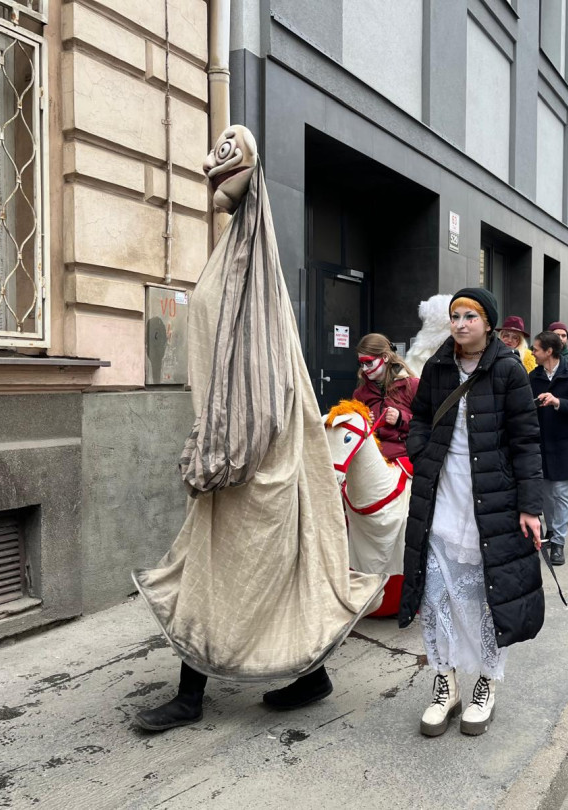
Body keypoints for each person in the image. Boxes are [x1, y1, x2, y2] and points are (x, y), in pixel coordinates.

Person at [133, 127, 384, 732]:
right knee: (221, 569)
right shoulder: (235, 262)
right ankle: (304, 676)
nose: (209, 175)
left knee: (221, 574)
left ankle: (197, 693)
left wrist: (226, 451)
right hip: (237, 450)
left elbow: (261, 378)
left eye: (224, 168)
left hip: (250, 456)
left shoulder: (252, 278)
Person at [400, 287, 544, 737]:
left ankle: (486, 682)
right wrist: (422, 454)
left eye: (470, 317)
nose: (460, 324)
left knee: (487, 595)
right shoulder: (439, 365)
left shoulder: (508, 369)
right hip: (442, 491)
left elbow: (525, 441)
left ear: (488, 323)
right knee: (436, 594)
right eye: (455, 316)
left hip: (491, 500)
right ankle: (445, 684)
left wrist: (530, 506)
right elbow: (420, 417)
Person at [530, 331, 568, 566]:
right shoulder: (533, 376)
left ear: (549, 351)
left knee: (560, 493)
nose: (532, 353)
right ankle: (551, 531)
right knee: (546, 493)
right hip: (540, 442)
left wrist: (557, 402)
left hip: (565, 443)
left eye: (536, 349)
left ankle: (558, 541)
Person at [354, 333, 419, 462]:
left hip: (405, 459)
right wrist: (362, 422)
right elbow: (352, 432)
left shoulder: (412, 385)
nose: (364, 368)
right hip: (370, 460)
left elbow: (427, 424)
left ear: (385, 357)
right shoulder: (360, 393)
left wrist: (401, 418)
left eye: (369, 362)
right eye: (361, 364)